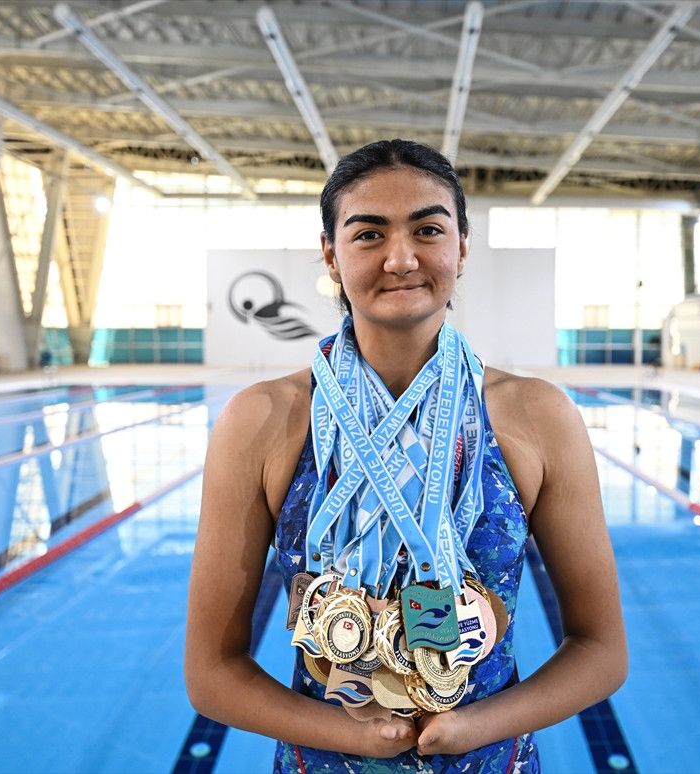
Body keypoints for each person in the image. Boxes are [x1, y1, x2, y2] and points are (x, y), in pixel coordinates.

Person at [185, 139, 626, 770]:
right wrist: (357, 738)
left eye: (427, 229)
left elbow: (602, 649)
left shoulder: (536, 416)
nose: (401, 259)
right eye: (369, 234)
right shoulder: (260, 421)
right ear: (330, 256)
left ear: (462, 249)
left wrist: (473, 727)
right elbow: (211, 672)